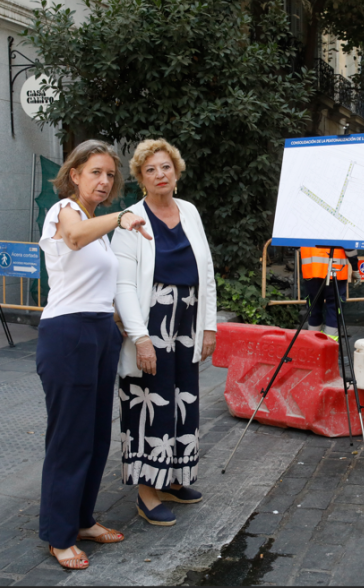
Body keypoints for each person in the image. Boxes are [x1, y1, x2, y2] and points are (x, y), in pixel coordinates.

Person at [36, 140, 151, 570]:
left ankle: (82, 520)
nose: (104, 181)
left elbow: (104, 284)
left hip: (101, 332)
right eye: (95, 172)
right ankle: (59, 534)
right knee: (69, 437)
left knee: (97, 435)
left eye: (109, 175)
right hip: (68, 332)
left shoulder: (99, 228)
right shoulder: (64, 210)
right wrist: (120, 218)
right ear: (75, 175)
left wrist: (125, 328)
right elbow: (73, 237)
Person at [112, 139, 217, 527]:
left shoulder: (189, 210)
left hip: (188, 320)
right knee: (150, 400)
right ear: (141, 178)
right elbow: (123, 285)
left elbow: (205, 271)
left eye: (166, 167)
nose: (160, 174)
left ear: (177, 171)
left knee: (183, 398)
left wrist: (209, 326)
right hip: (151, 320)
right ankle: (146, 492)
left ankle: (173, 479)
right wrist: (140, 338)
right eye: (151, 169)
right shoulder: (130, 219)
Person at [301, 246, 361, 340]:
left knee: (314, 307)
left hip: (311, 271)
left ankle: (313, 341)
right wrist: (355, 268)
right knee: (334, 307)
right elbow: (349, 248)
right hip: (335, 271)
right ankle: (330, 342)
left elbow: (296, 246)